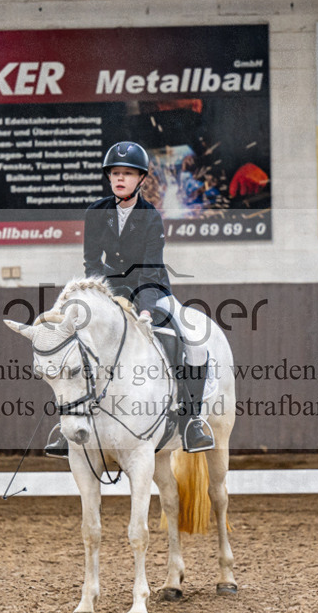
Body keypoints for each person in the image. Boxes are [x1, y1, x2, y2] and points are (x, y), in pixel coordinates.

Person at [44, 141, 214, 458]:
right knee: (73, 341)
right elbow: (92, 265)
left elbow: (150, 270)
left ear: (141, 179)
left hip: (152, 289)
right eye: (115, 173)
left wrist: (146, 310)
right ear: (109, 177)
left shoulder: (151, 217)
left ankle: (192, 421)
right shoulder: (96, 213)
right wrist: (104, 299)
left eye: (127, 174)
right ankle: (65, 426)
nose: (120, 179)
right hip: (111, 290)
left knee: (195, 343)